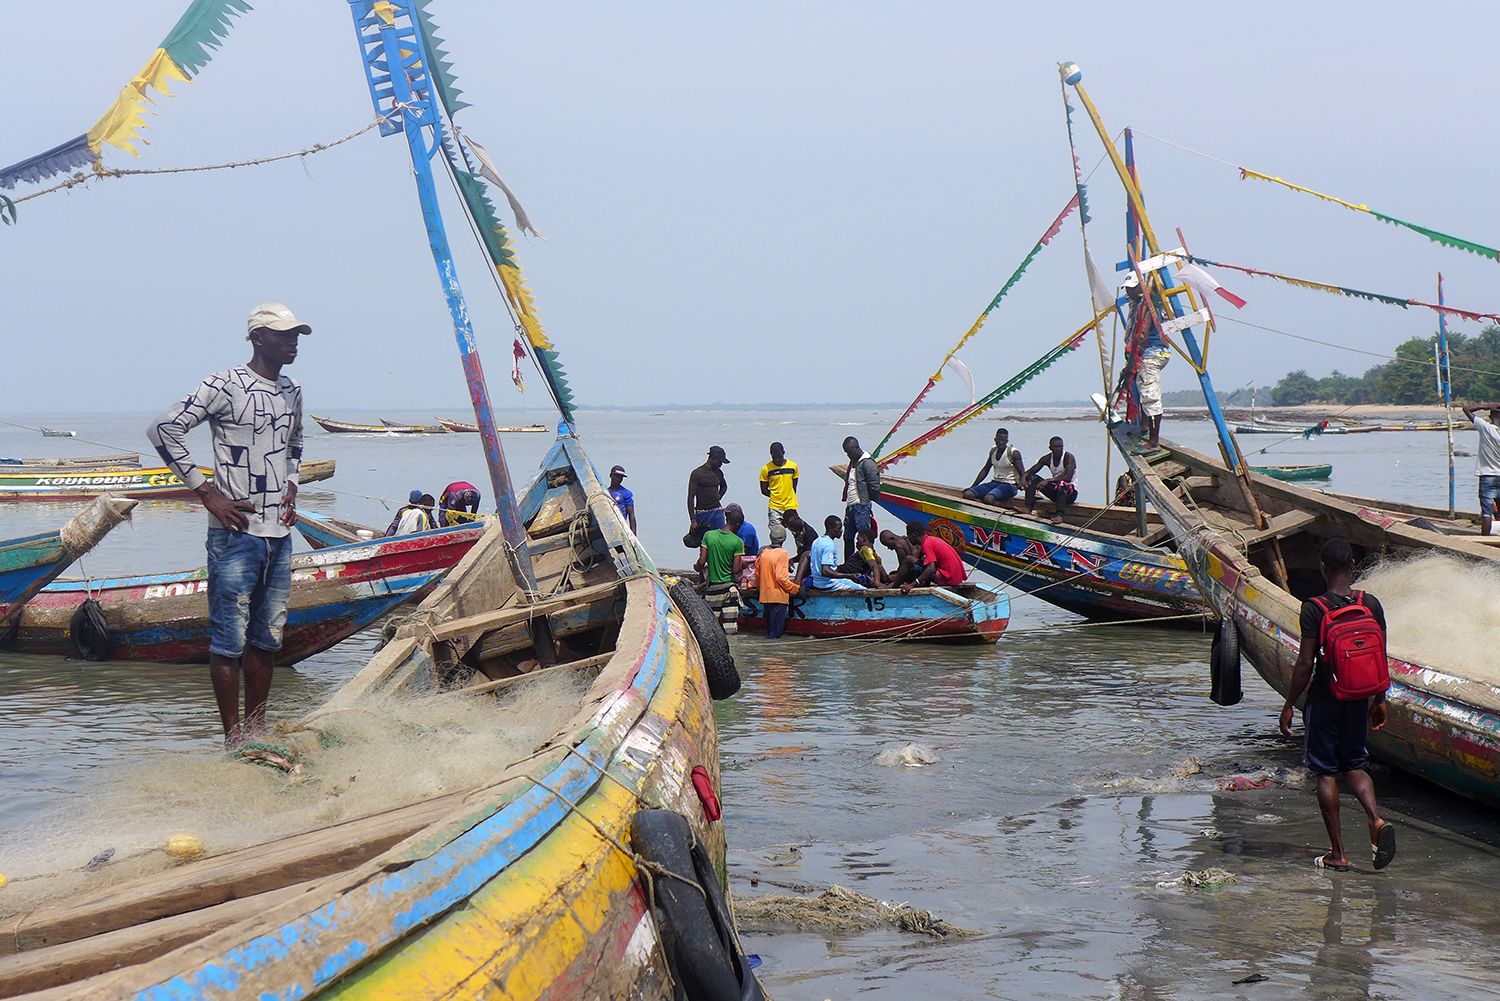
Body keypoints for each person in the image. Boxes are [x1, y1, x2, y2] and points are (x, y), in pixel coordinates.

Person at [146, 302, 307, 749]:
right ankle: (232, 739)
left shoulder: (292, 389)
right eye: (284, 334)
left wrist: (291, 485)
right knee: (229, 639)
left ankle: (256, 733)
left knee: (268, 638)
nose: (293, 342)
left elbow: (294, 443)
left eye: (297, 335)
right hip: (236, 535)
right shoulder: (226, 385)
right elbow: (163, 429)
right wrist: (205, 492)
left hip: (279, 535)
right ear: (258, 338)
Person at [1278, 538, 1396, 872]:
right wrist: (1380, 699)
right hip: (1360, 695)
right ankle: (1375, 819)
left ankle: (1338, 854)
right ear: (1353, 568)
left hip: (1326, 697)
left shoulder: (1314, 608)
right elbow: (1379, 656)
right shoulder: (1370, 603)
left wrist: (1289, 703)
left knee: (1326, 772)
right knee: (1356, 765)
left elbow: (1304, 664)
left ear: (1323, 567)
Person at [697, 514, 745, 632]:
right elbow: (735, 570)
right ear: (738, 524)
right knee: (730, 629)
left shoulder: (709, 535)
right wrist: (741, 565)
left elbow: (702, 562)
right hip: (730, 590)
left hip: (714, 589)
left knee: (711, 629)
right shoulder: (737, 542)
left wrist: (697, 566)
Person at [1462, 401, 1500, 535]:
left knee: (1487, 513)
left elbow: (1466, 409)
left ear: (1490, 418)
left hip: (1488, 476)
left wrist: (1488, 405)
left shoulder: (1486, 428)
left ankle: (1485, 540)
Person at [963, 428, 1026, 508]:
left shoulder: (1013, 453)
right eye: (999, 440)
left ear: (1007, 441)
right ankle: (982, 504)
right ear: (995, 440)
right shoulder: (993, 451)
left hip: (1009, 485)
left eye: (1003, 440)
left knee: (989, 499)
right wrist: (973, 486)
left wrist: (1021, 483)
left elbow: (1022, 471)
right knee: (967, 494)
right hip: (995, 482)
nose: (1001, 442)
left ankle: (1006, 508)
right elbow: (986, 469)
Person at [841, 436, 881, 562]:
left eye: (850, 452)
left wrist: (868, 501)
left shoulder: (867, 463)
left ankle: (868, 568)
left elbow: (874, 486)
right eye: (846, 453)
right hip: (851, 506)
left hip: (861, 506)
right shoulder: (853, 462)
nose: (848, 455)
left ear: (857, 447)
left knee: (864, 540)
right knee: (848, 537)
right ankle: (848, 566)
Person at [1024, 436, 1078, 524]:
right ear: (1050, 448)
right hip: (1057, 492)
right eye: (1056, 447)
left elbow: (1068, 477)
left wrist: (1048, 480)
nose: (1058, 449)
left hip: (1069, 493)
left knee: (1061, 484)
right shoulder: (1047, 458)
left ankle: (1060, 515)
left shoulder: (1068, 457)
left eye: (1060, 446)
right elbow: (1031, 471)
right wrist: (1024, 477)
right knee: (1032, 478)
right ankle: (1028, 508)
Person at [901, 521, 967, 592]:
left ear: (913, 535)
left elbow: (931, 568)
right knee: (922, 563)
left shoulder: (927, 544)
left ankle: (893, 586)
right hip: (955, 578)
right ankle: (923, 585)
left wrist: (913, 584)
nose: (908, 538)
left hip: (948, 578)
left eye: (908, 535)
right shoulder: (931, 539)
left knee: (909, 560)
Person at [756, 540, 801, 639]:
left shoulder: (764, 553)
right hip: (778, 598)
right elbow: (781, 578)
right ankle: (773, 653)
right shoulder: (783, 553)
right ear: (784, 539)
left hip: (766, 597)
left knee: (770, 630)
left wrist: (761, 589)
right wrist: (796, 589)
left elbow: (757, 575)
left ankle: (767, 652)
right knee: (775, 634)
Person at [806, 516, 865, 590]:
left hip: (817, 583)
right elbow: (825, 571)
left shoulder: (817, 541)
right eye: (838, 528)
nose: (841, 531)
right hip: (828, 584)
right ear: (830, 528)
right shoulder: (829, 545)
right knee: (862, 589)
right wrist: (849, 576)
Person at [759, 441, 800, 547]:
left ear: (783, 453)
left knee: (798, 534)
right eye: (774, 456)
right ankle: (777, 556)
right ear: (770, 454)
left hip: (790, 505)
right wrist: (776, 496)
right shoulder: (766, 469)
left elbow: (794, 486)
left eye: (779, 456)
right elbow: (763, 490)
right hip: (775, 507)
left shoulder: (793, 466)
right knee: (776, 536)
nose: (777, 459)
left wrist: (787, 495)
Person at [687, 446, 730, 539]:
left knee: (720, 539)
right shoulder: (697, 473)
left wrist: (719, 496)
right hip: (702, 513)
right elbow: (690, 497)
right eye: (720, 461)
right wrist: (693, 520)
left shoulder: (719, 473)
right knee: (705, 543)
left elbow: (724, 486)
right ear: (713, 458)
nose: (721, 464)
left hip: (717, 512)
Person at [783, 510, 821, 582]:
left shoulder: (809, 534)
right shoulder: (798, 530)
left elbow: (808, 556)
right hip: (804, 569)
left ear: (797, 518)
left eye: (793, 525)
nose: (792, 528)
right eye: (789, 527)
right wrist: (791, 560)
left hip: (812, 572)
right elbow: (801, 555)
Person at [607, 464, 637, 534]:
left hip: (620, 525)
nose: (618, 479)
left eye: (620, 477)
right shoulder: (604, 493)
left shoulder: (626, 493)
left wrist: (633, 533)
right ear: (611, 476)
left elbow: (631, 514)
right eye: (616, 476)